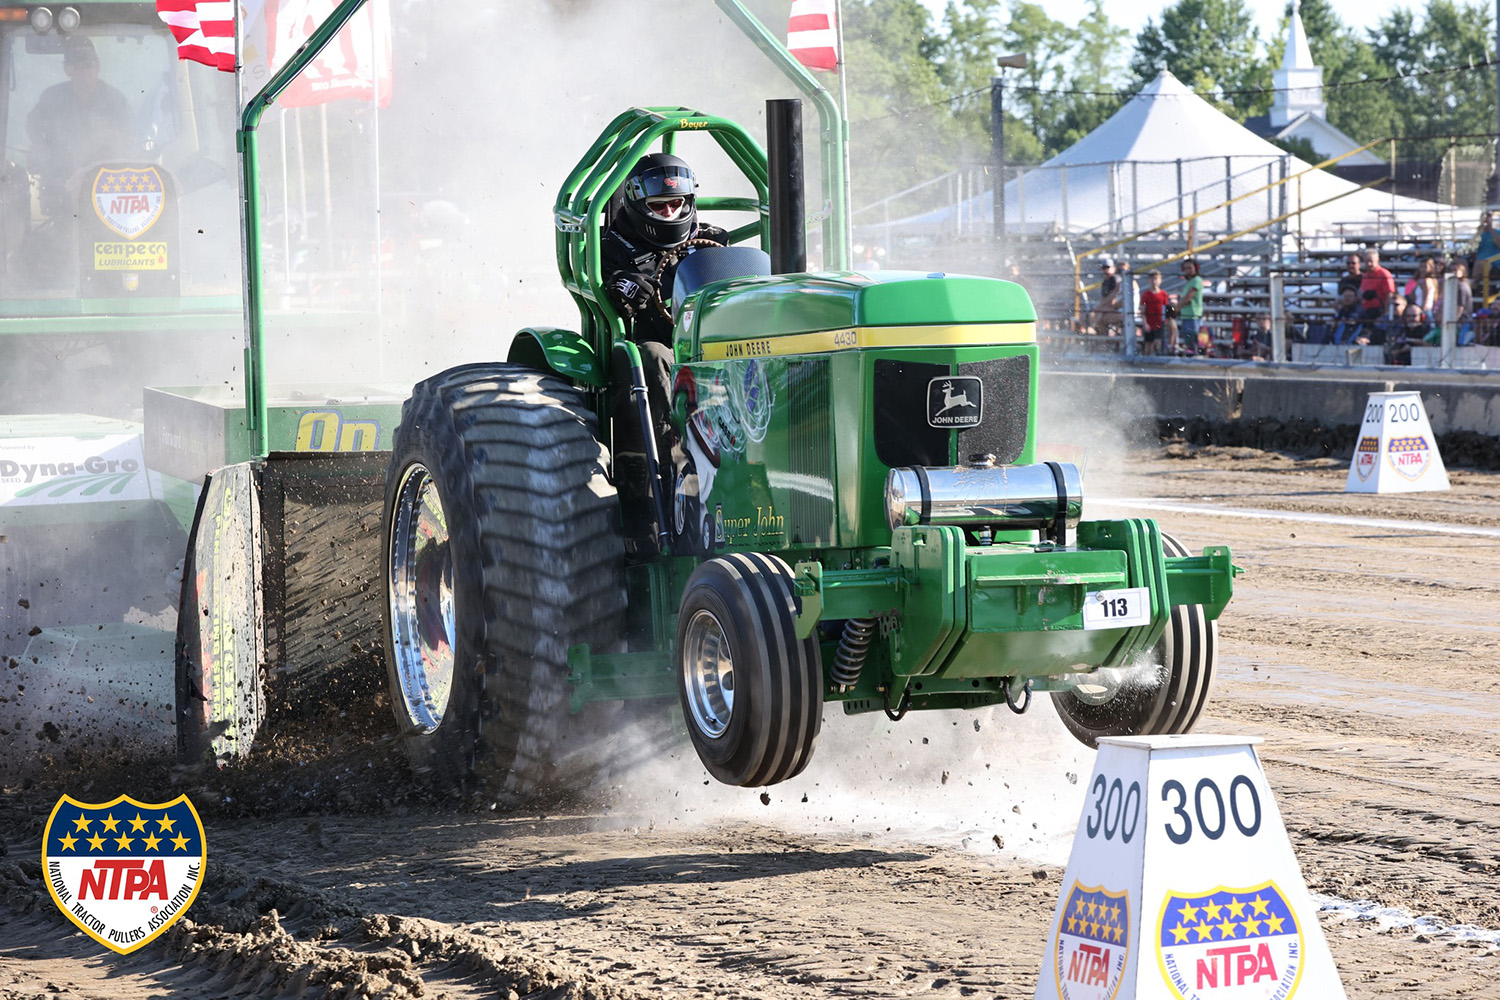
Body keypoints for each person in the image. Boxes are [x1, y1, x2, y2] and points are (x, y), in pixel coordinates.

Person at [600, 154, 727, 554]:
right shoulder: (612, 247)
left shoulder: (713, 240)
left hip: (714, 348)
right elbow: (612, 299)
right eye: (659, 207)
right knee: (655, 355)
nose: (670, 212)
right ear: (638, 205)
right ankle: (664, 481)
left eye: (677, 204)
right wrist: (628, 288)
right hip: (648, 361)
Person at [27, 37, 130, 219]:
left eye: (88, 66)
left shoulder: (115, 100)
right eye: (76, 66)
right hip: (60, 184)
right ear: (67, 69)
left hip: (107, 187)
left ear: (97, 66)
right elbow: (32, 125)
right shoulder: (51, 98)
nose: (83, 72)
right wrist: (40, 147)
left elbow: (127, 139)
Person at [1358, 248, 1395, 340]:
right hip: (1367, 311)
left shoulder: (1384, 274)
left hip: (1379, 311)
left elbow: (1390, 294)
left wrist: (1386, 314)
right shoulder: (1365, 276)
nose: (1369, 264)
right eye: (1366, 261)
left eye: (1371, 261)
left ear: (1377, 260)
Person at [1139, 269, 1170, 355]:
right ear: (1149, 280)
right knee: (1148, 343)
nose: (1154, 281)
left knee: (1158, 342)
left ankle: (1158, 358)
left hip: (1160, 323)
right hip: (1149, 323)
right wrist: (1145, 323)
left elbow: (1166, 309)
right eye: (1152, 279)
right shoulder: (1146, 294)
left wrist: (1166, 321)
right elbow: (1142, 310)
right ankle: (1146, 362)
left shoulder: (1164, 294)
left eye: (1156, 278)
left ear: (1160, 280)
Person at [1088, 258, 1122, 335]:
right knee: (1098, 318)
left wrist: (1100, 307)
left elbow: (1112, 297)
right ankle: (1102, 340)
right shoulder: (1106, 280)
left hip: (1117, 308)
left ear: (1114, 268)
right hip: (1110, 307)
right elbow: (1105, 298)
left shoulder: (1116, 279)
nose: (1106, 270)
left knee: (1100, 314)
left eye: (1108, 267)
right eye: (1104, 268)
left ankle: (1092, 327)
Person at [1178, 258, 1204, 351]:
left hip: (1193, 315)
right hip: (1186, 314)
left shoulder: (1196, 280)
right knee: (1188, 340)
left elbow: (1188, 297)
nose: (1188, 270)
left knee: (1193, 340)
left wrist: (1177, 308)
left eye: (1190, 268)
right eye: (1185, 268)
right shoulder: (1189, 282)